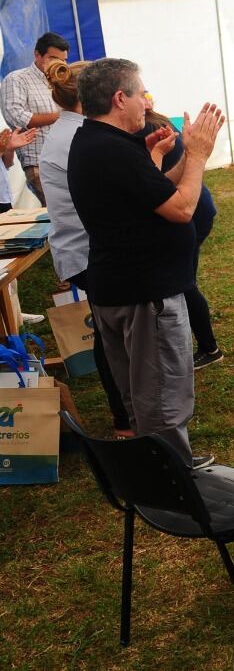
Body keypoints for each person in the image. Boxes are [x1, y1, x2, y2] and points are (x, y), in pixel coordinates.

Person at [67, 58, 225, 466]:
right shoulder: (111, 149)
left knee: (141, 393)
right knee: (161, 396)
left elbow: (148, 194)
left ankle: (154, 468)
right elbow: (182, 209)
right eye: (141, 94)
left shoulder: (97, 142)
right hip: (144, 295)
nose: (146, 102)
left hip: (119, 287)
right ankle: (171, 482)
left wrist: (156, 158)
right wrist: (198, 154)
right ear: (120, 98)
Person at [42, 60, 128, 436]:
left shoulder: (67, 133)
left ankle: (125, 413)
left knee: (112, 335)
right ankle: (125, 417)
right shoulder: (78, 137)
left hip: (85, 248)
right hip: (89, 251)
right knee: (113, 339)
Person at [140, 93, 223, 370]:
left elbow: (157, 185)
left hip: (191, 212)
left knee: (184, 283)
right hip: (195, 208)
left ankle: (209, 348)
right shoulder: (156, 124)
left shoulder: (147, 129)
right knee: (184, 281)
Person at [1, 31, 69, 203]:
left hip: (68, 157)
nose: (59, 64)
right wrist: (60, 116)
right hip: (40, 161)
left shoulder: (63, 79)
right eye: (53, 58)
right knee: (59, 210)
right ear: (37, 55)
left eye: (63, 60)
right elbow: (16, 117)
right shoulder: (17, 79)